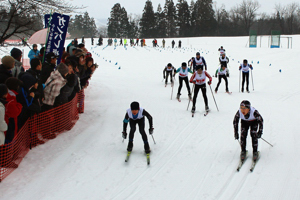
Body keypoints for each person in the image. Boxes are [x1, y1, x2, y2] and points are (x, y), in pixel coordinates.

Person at [4, 78, 23, 144]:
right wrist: (19, 105)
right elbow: (15, 112)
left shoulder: (12, 96)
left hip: (10, 123)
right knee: (9, 140)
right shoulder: (11, 98)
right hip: (10, 124)